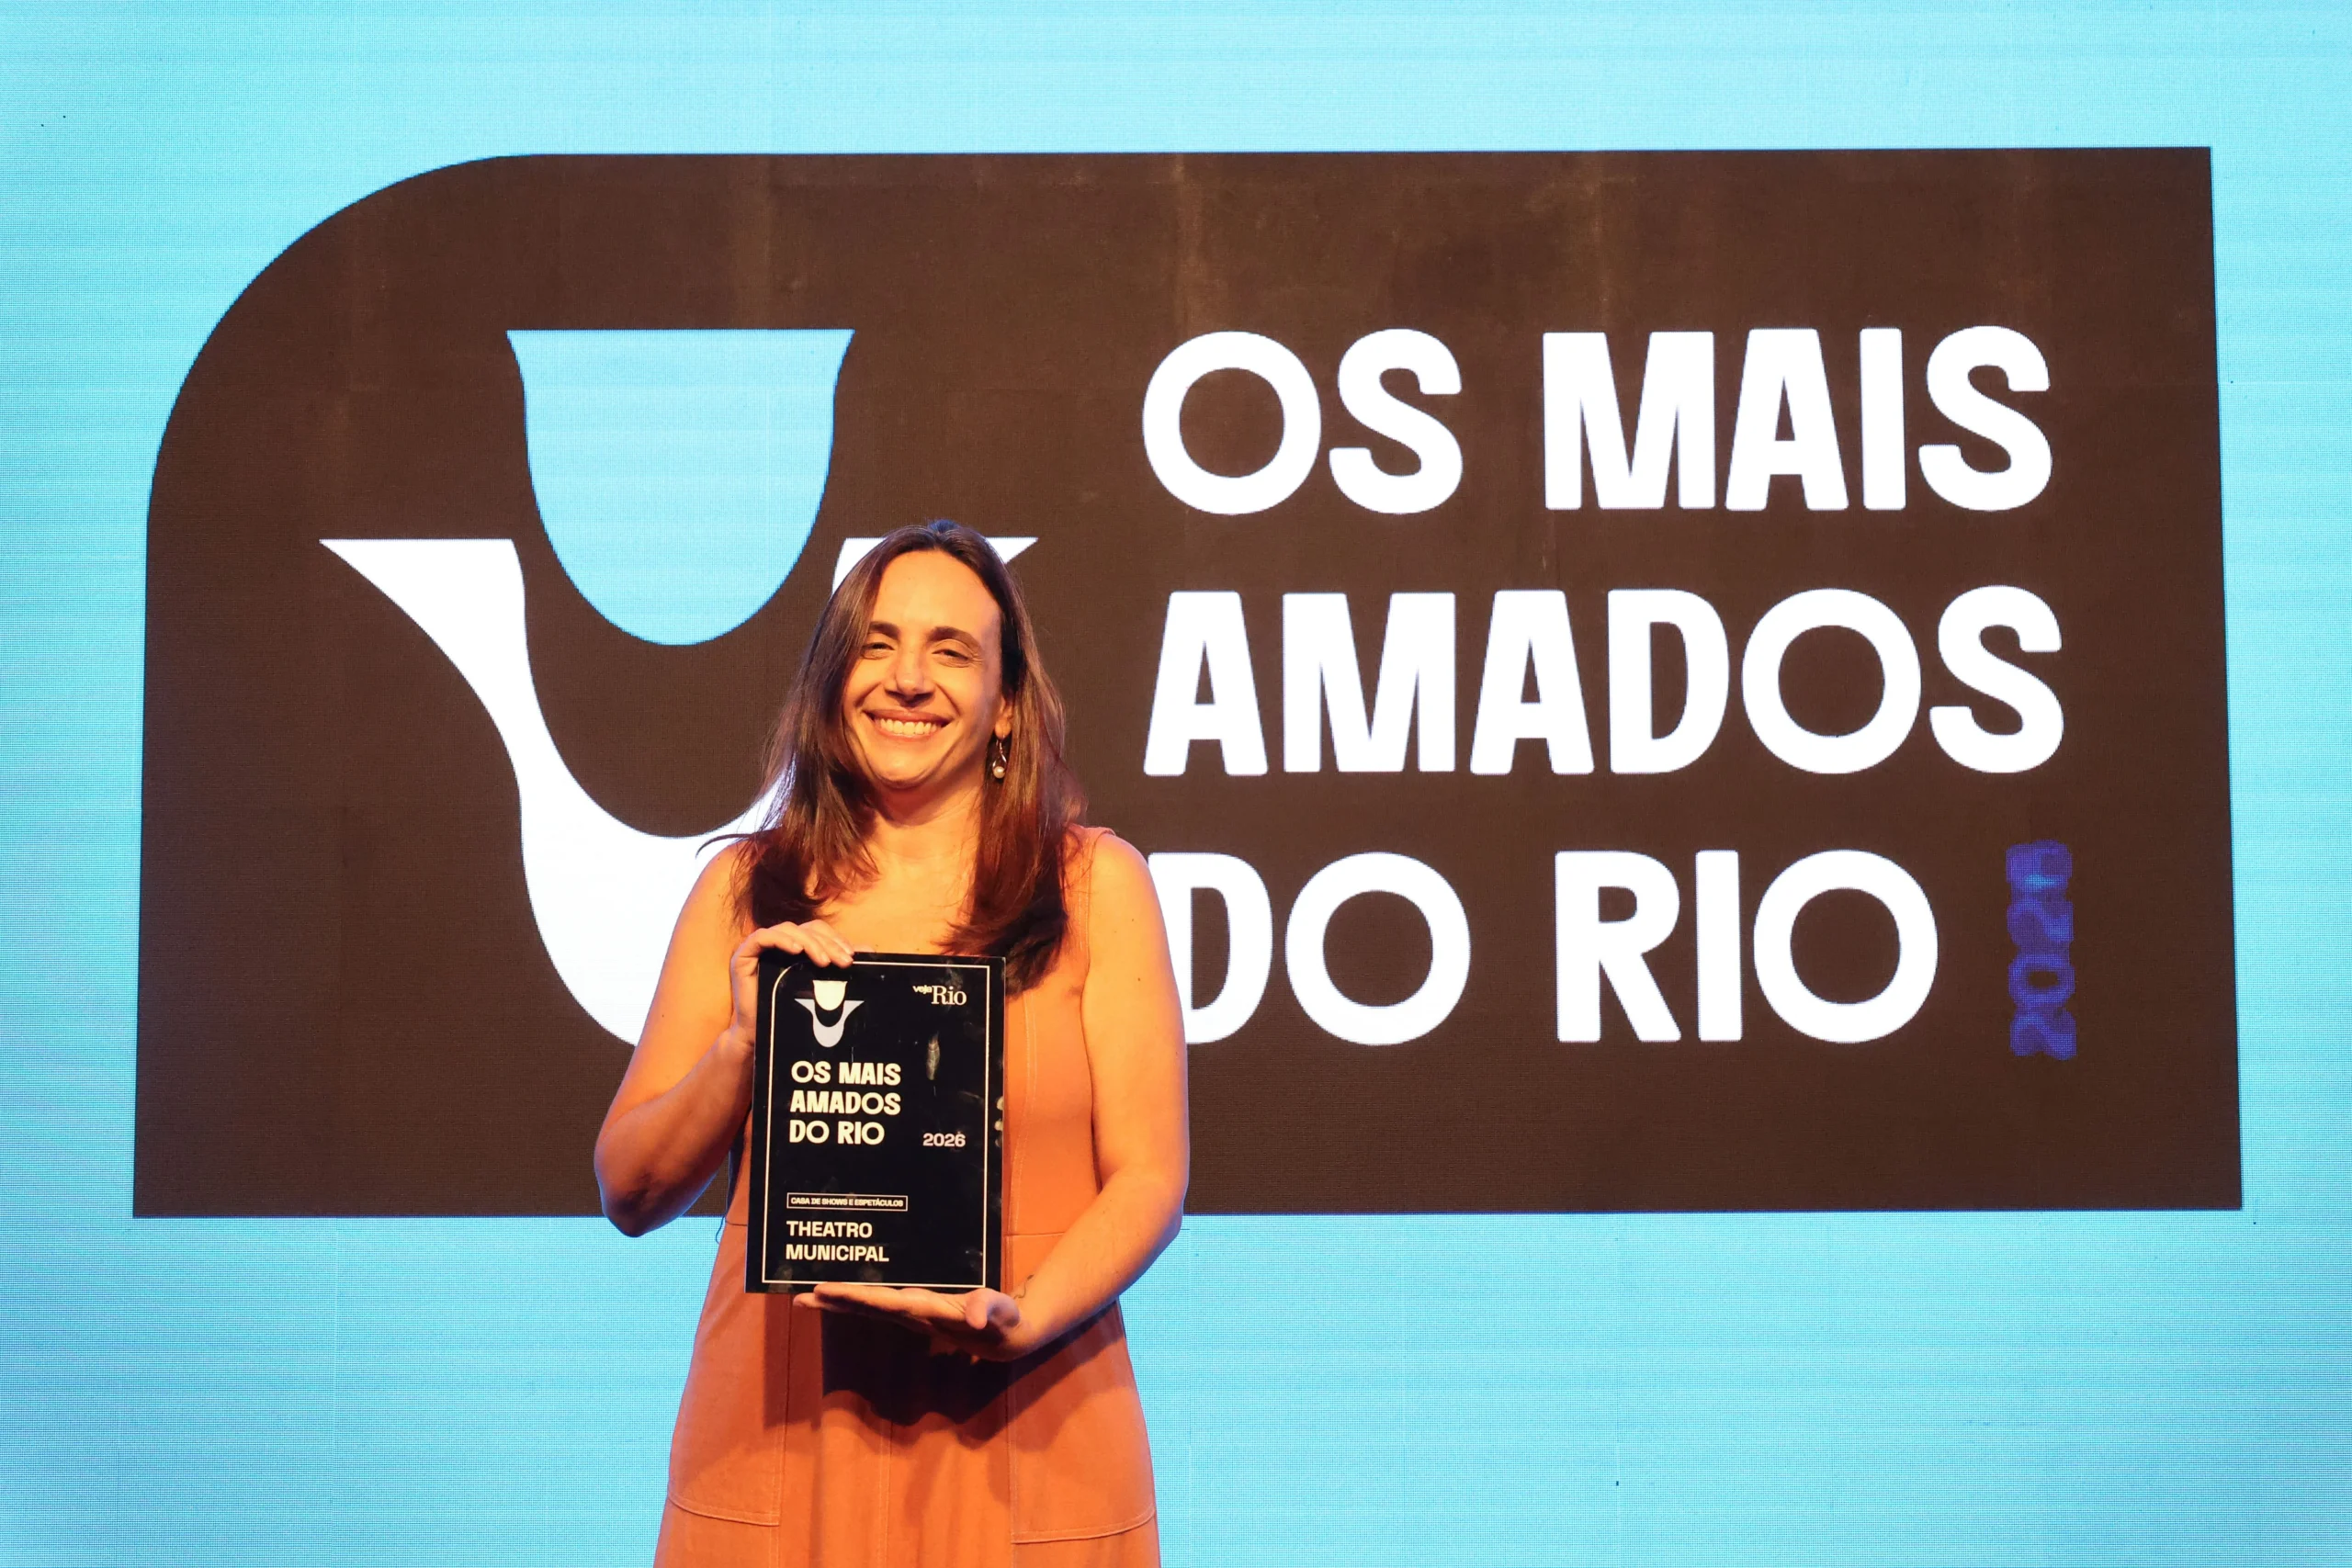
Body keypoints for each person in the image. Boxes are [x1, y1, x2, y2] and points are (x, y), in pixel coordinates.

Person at [594, 520, 1189, 1567]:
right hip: (783, 1436)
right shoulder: (744, 892)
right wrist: (742, 1045)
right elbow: (630, 1190)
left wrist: (1019, 1319)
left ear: (1007, 702)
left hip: (1031, 1423)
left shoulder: (1094, 887)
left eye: (950, 650)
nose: (908, 678)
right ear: (833, 683)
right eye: (877, 645)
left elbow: (1149, 1177)